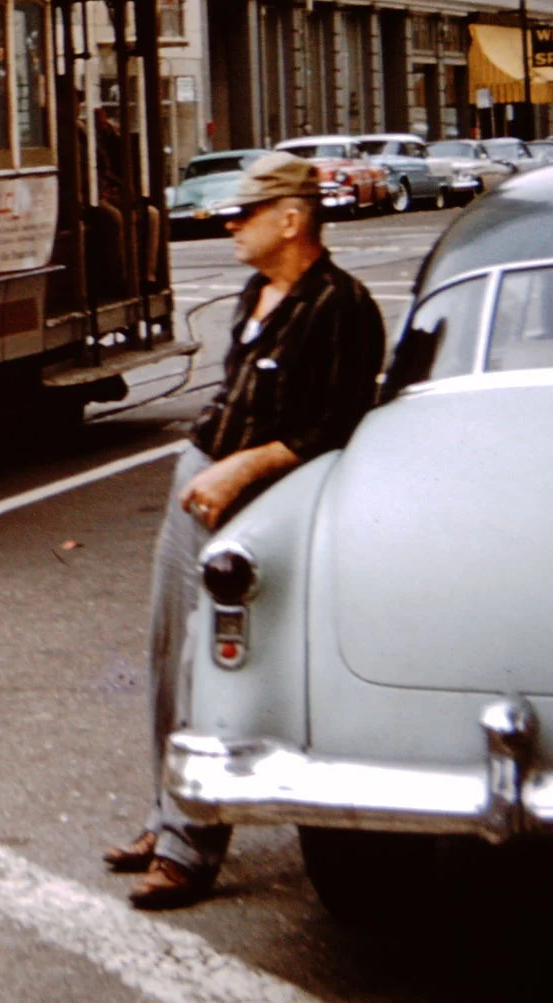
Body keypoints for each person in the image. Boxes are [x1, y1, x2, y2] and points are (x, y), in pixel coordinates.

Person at [110, 152, 387, 910]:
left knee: (217, 665)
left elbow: (335, 424)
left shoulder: (341, 305)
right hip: (200, 482)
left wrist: (241, 469)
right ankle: (166, 812)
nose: (229, 223)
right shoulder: (254, 291)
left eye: (246, 211)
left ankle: (192, 847)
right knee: (168, 656)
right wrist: (206, 467)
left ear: (292, 219)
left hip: (260, 500)